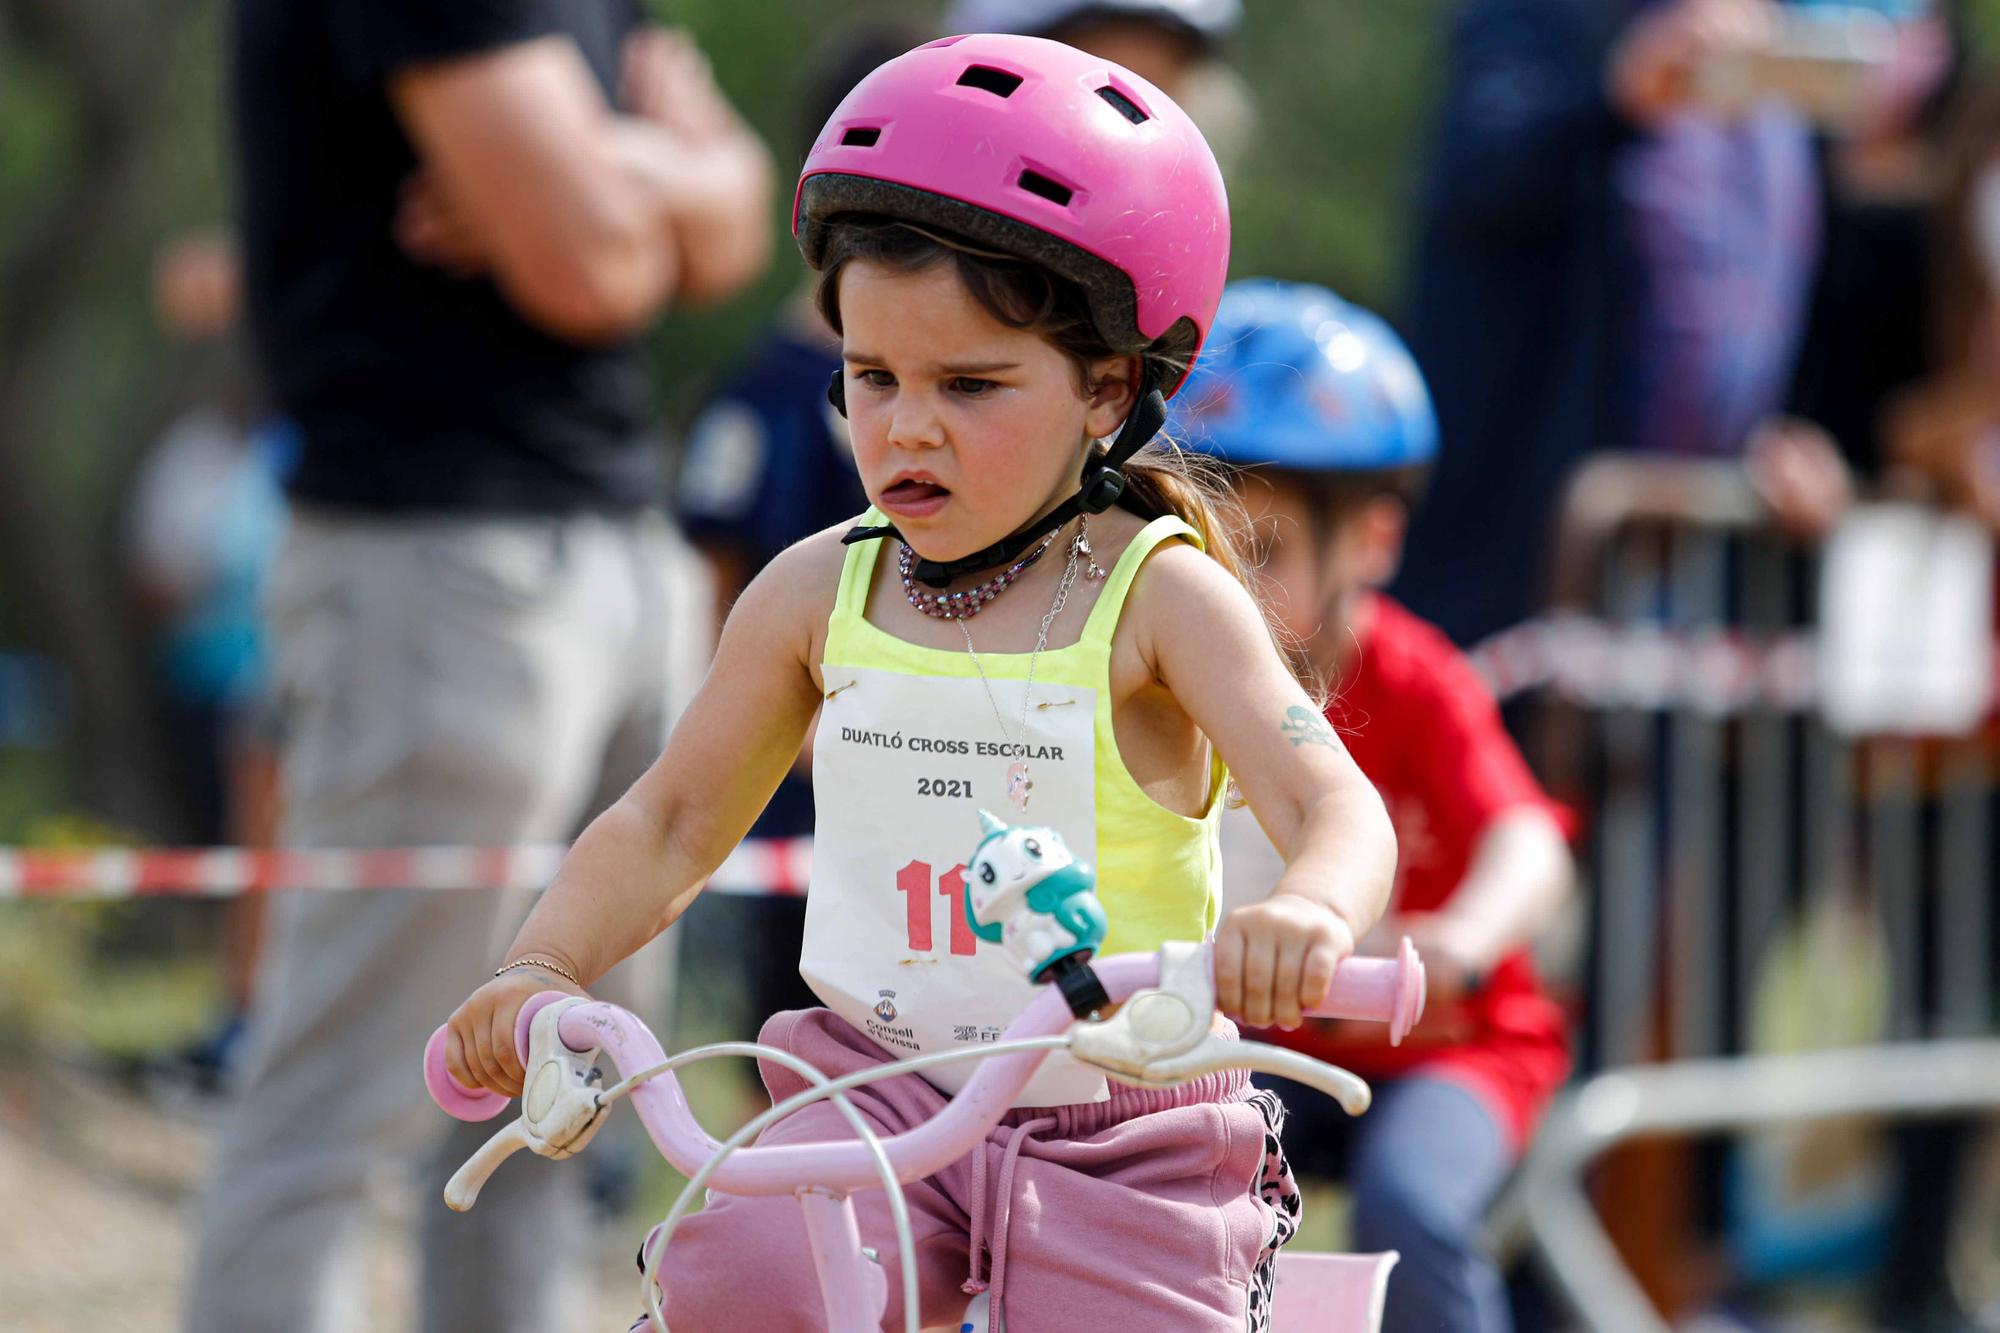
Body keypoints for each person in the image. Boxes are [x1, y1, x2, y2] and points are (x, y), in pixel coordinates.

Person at [442, 34, 1397, 1332]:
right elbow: (669, 820)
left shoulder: (1160, 597)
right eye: (873, 376)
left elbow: (1335, 806)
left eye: (970, 384)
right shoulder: (814, 591)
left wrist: (1311, 916)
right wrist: (542, 965)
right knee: (735, 1285)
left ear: (1108, 388)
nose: (907, 425)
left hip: (1126, 1118)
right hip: (875, 1086)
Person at [186, 3, 772, 1330]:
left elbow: (745, 218)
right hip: (436, 562)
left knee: (557, 1103)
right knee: (332, 1105)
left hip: (618, 547)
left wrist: (610, 168)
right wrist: (656, 168)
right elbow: (596, 270)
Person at [1179, 280, 1575, 1333]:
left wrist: (1463, 939)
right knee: (1166, 1189)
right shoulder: (1169, 680)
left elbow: (1526, 838)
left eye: (1257, 552)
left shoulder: (1414, 679)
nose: (1222, 587)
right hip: (1273, 1048)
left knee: (1410, 1203)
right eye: (1195, 547)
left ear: (1368, 542)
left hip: (1448, 1048)